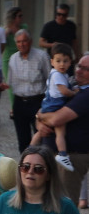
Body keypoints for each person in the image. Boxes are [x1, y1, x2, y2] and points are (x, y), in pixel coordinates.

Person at [33, 43, 78, 171]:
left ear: (70, 62)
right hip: (55, 105)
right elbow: (64, 91)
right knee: (60, 131)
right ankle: (62, 154)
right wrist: (74, 93)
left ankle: (31, 146)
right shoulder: (58, 75)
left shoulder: (59, 74)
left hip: (49, 104)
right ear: (52, 62)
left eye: (65, 61)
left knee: (41, 131)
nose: (62, 64)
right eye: (58, 61)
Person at [7, 29, 50, 153]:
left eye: (24, 41)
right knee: (22, 139)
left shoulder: (41, 56)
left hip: (38, 102)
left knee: (41, 137)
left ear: (30, 42)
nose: (22, 44)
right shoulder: (13, 59)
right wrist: (12, 106)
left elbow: (50, 81)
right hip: (19, 103)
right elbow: (11, 83)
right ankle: (24, 166)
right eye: (19, 42)